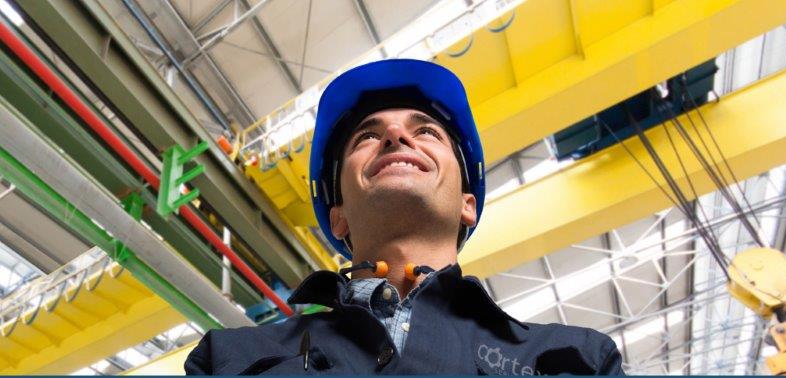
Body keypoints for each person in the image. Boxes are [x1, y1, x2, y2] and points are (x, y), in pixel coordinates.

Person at [184, 59, 624, 375]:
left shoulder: (576, 359)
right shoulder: (230, 360)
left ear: (467, 204)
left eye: (426, 131)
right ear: (337, 218)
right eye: (368, 135)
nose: (394, 135)